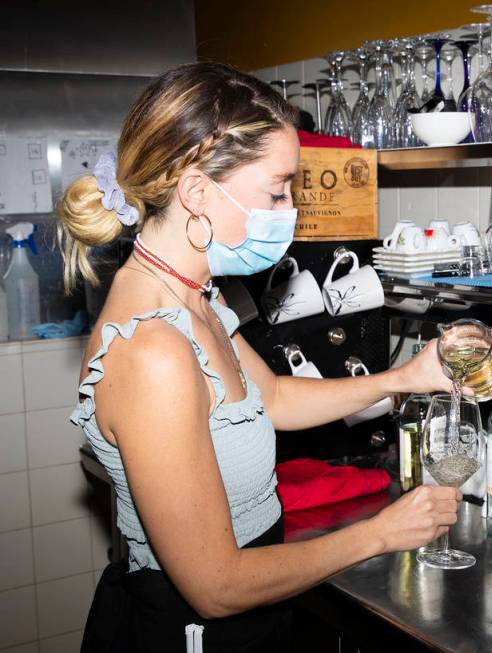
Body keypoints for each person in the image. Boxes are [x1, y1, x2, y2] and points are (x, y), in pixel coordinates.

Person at [57, 62, 462, 653]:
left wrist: (404, 377)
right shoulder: (154, 353)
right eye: (276, 189)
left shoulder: (193, 293)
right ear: (197, 191)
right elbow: (216, 585)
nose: (289, 207)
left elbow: (271, 398)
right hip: (195, 632)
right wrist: (379, 534)